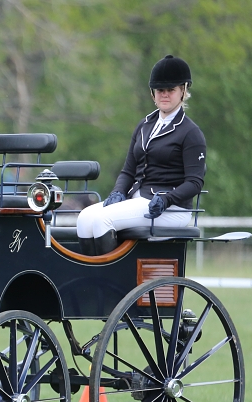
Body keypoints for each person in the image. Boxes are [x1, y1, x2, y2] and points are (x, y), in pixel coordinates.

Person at [76, 54, 206, 255]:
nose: (164, 95)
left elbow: (195, 182)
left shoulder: (190, 132)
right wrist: (117, 192)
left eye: (170, 90)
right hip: (137, 200)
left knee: (103, 220)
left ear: (183, 91)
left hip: (171, 209)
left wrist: (166, 199)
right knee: (84, 218)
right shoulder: (144, 125)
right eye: (160, 90)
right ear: (152, 94)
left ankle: (110, 281)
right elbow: (128, 171)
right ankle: (91, 281)